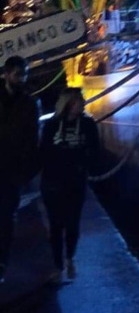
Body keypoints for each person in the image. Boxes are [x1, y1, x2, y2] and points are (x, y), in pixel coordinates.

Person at [40, 88, 99, 282]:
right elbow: (43, 151)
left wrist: (86, 166)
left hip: (75, 181)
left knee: (73, 223)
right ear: (68, 104)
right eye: (78, 101)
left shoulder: (88, 124)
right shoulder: (51, 125)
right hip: (53, 182)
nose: (82, 104)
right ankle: (58, 265)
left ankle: (70, 257)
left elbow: (95, 150)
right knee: (56, 225)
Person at [0, 55, 39, 281]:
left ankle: (2, 261)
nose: (22, 79)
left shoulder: (30, 103)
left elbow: (32, 138)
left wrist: (27, 170)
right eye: (18, 74)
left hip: (12, 170)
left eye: (24, 74)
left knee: (6, 216)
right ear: (6, 74)